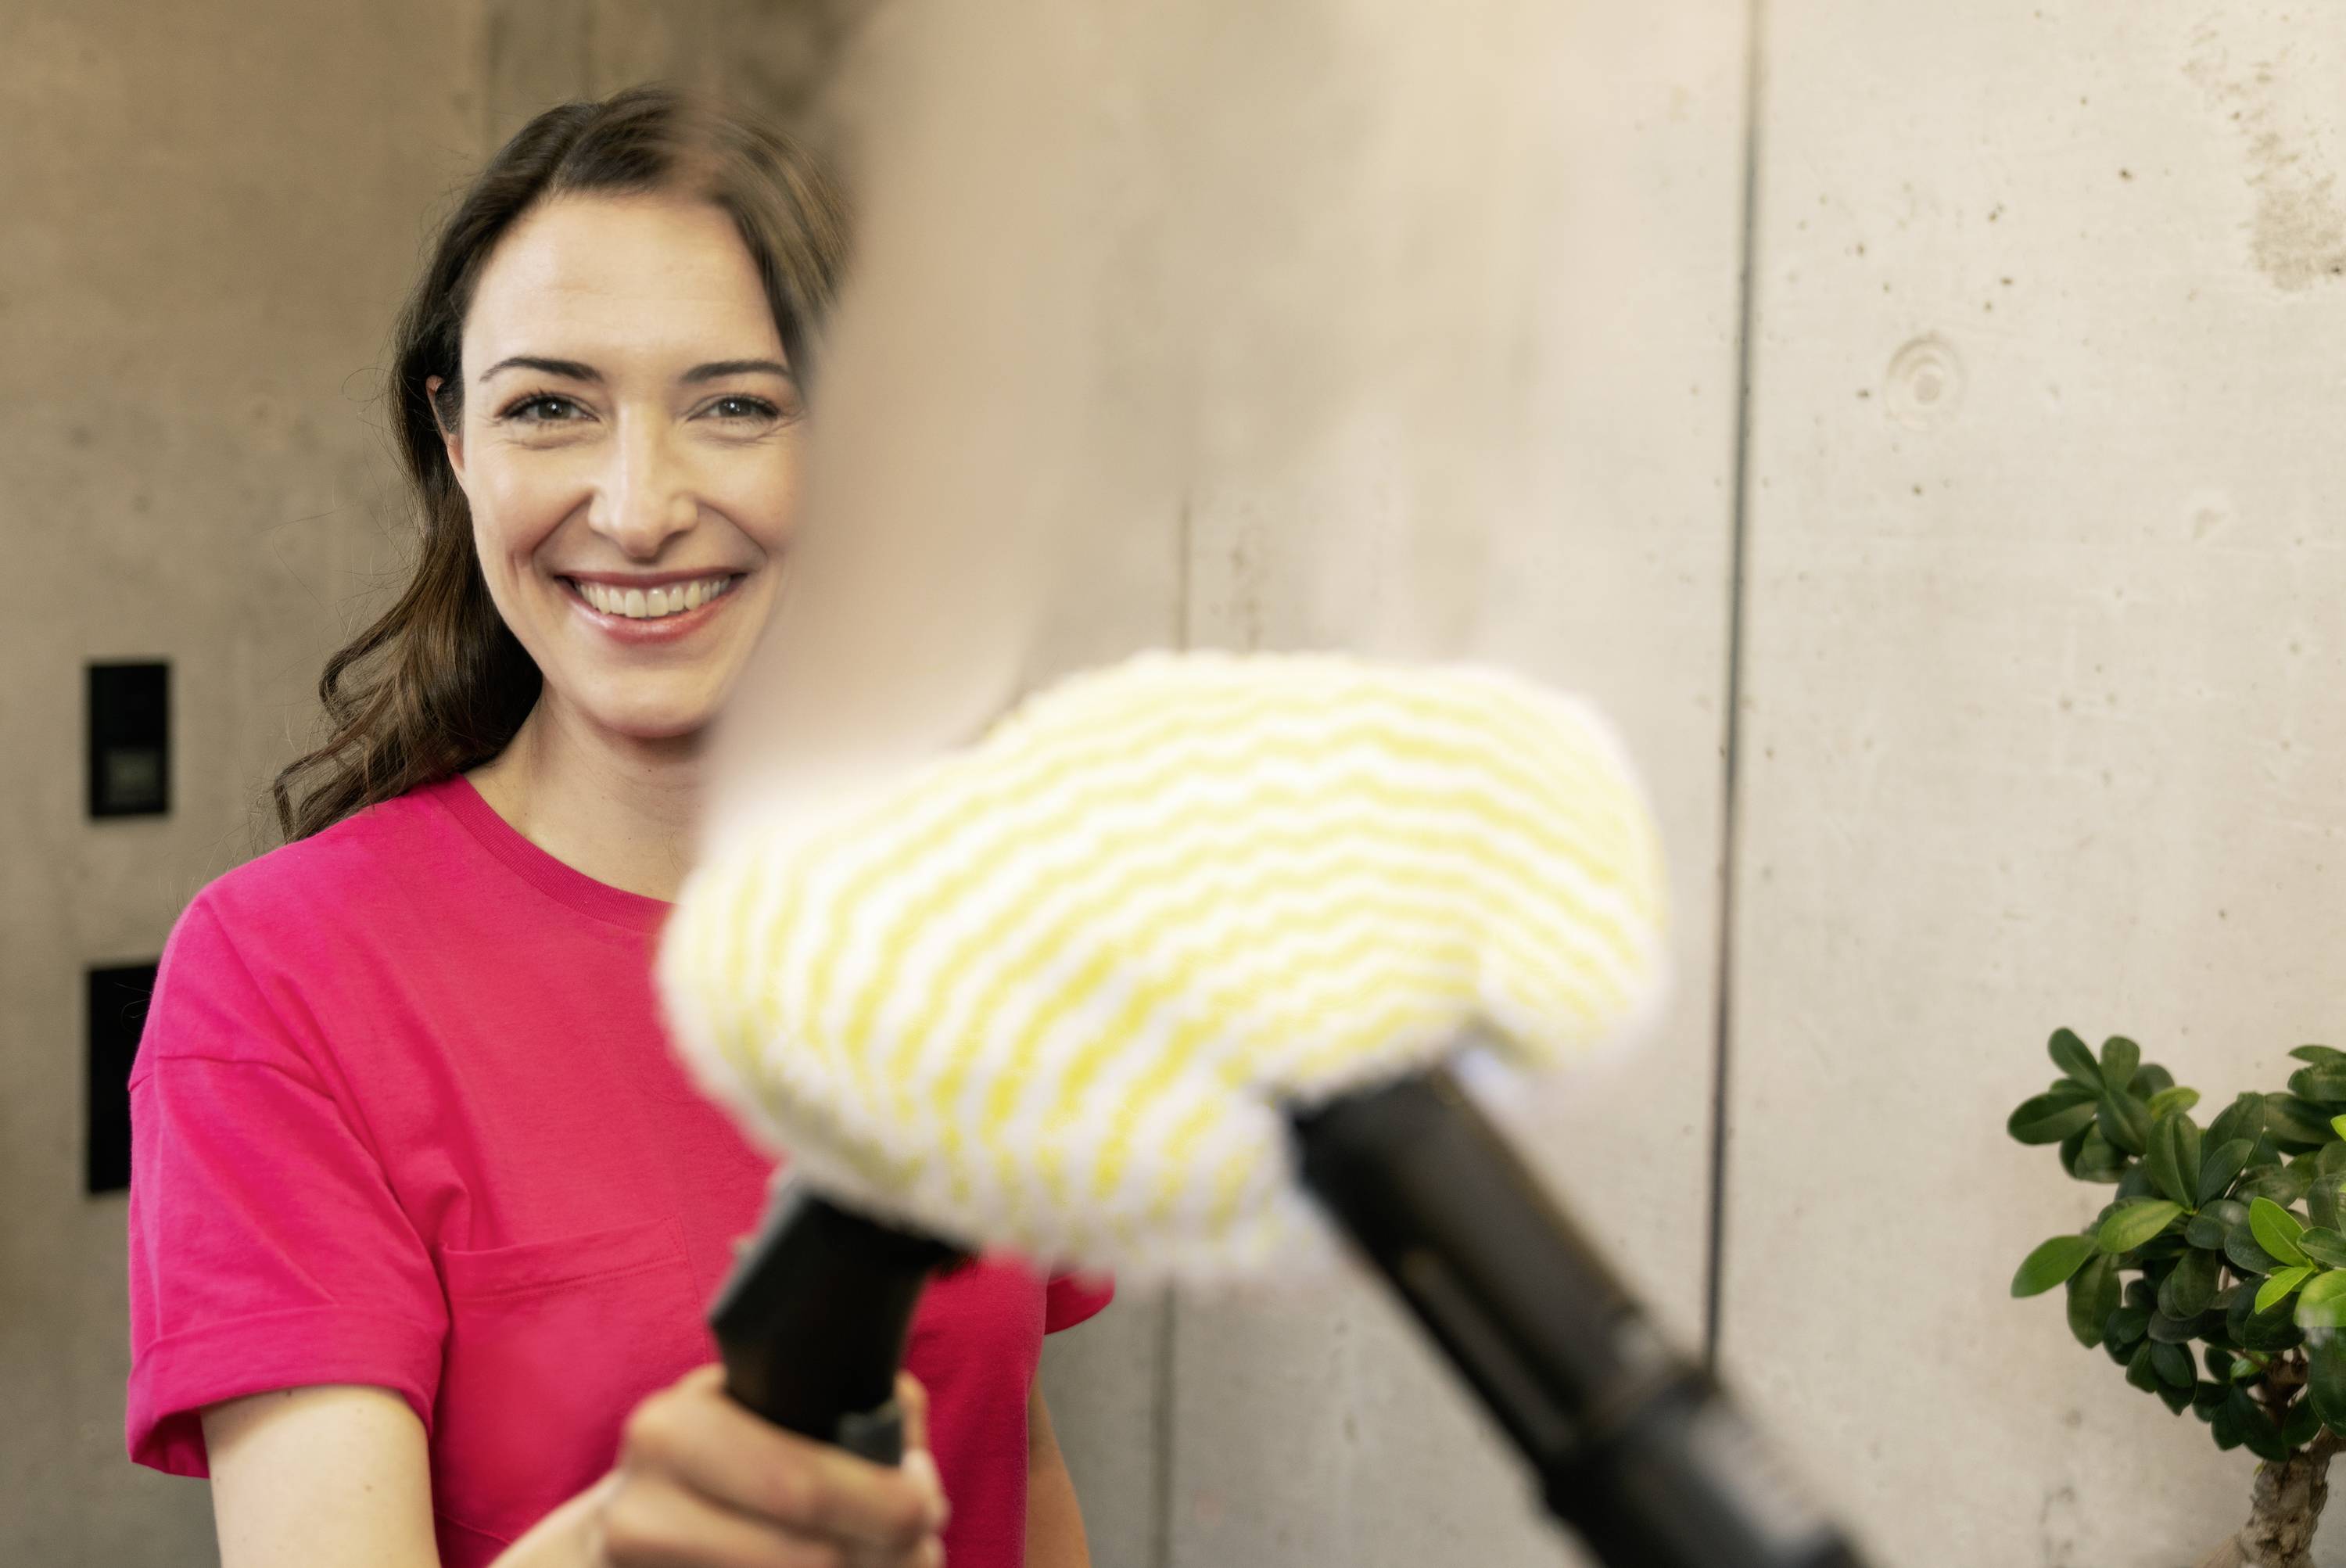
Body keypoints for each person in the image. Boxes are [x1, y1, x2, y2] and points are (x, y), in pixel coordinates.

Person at [124, 86, 1107, 1568]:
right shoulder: (282, 983)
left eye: (736, 403)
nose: (639, 508)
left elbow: (1010, 1459)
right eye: (548, 406)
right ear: (456, 446)